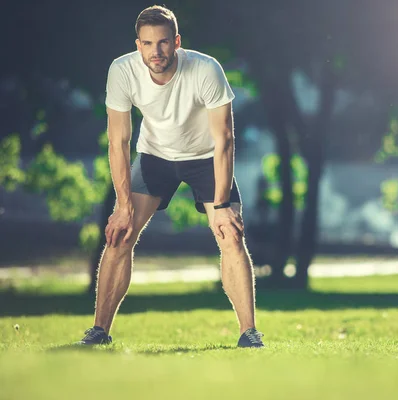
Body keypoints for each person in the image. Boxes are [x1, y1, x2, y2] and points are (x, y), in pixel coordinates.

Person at [77, 5, 264, 348]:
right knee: (120, 235)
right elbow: (118, 142)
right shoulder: (122, 71)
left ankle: (249, 333)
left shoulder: (206, 69)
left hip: (206, 158)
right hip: (155, 157)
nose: (156, 51)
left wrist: (222, 204)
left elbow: (224, 138)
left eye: (163, 43)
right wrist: (122, 205)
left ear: (176, 42)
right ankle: (99, 332)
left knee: (230, 236)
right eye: (148, 44)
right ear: (138, 45)